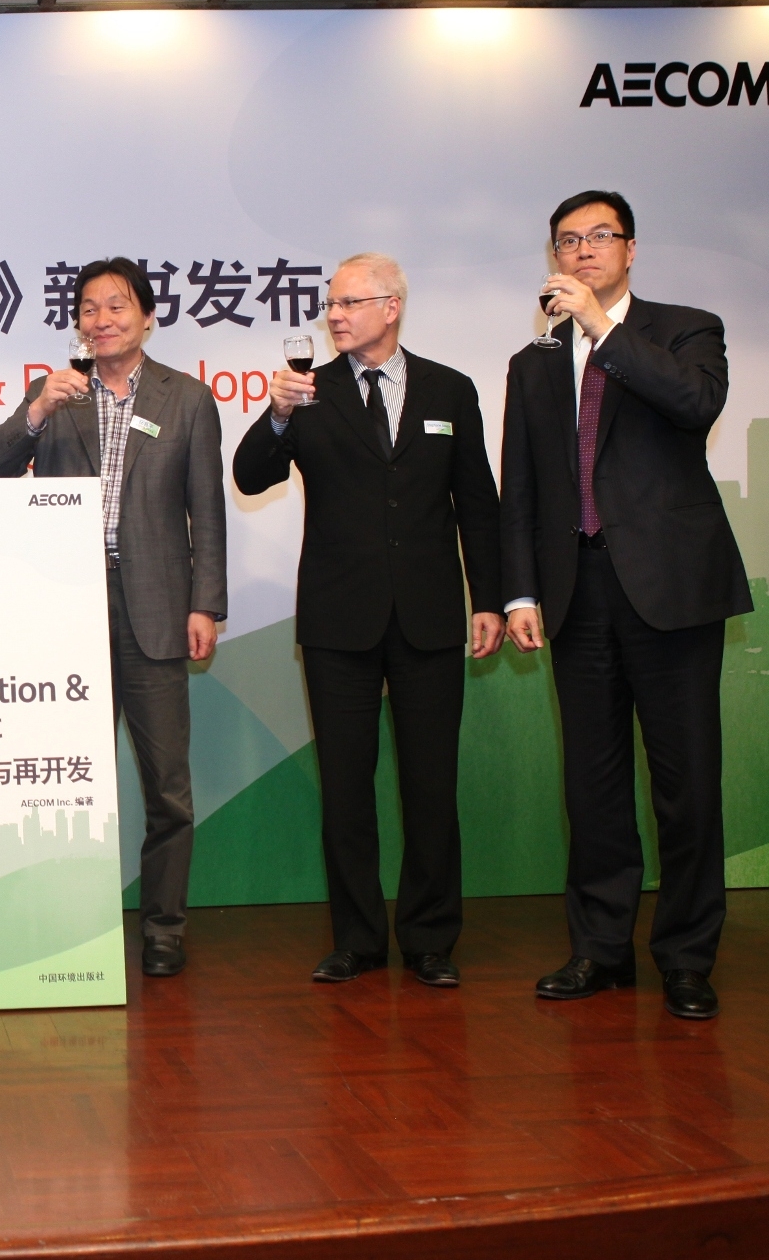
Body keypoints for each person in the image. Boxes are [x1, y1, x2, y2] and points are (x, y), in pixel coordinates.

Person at [502, 190, 751, 1021]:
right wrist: (519, 590)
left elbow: (694, 402)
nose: (581, 252)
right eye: (566, 241)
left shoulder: (684, 329)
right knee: (593, 783)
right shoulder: (533, 362)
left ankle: (685, 955)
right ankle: (599, 948)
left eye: (598, 237)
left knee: (685, 782)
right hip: (576, 591)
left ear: (630, 249)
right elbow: (520, 487)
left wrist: (602, 329)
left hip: (670, 588)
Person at [232, 254, 502, 988]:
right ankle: (356, 938)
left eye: (350, 302)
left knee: (430, 788)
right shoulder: (308, 392)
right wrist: (277, 413)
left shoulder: (450, 388)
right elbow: (250, 475)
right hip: (337, 619)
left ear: (392, 307)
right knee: (346, 790)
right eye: (331, 304)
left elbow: (476, 502)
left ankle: (429, 938)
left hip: (429, 616)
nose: (335, 315)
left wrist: (488, 597)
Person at [0, 258, 226, 978]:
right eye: (89, 308)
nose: (102, 319)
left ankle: (163, 929)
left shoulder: (187, 398)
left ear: (147, 317)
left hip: (156, 606)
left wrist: (205, 602)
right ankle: (69, 927)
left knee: (166, 786)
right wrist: (35, 414)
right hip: (67, 609)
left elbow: (206, 509)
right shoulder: (56, 392)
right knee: (65, 782)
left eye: (117, 305)